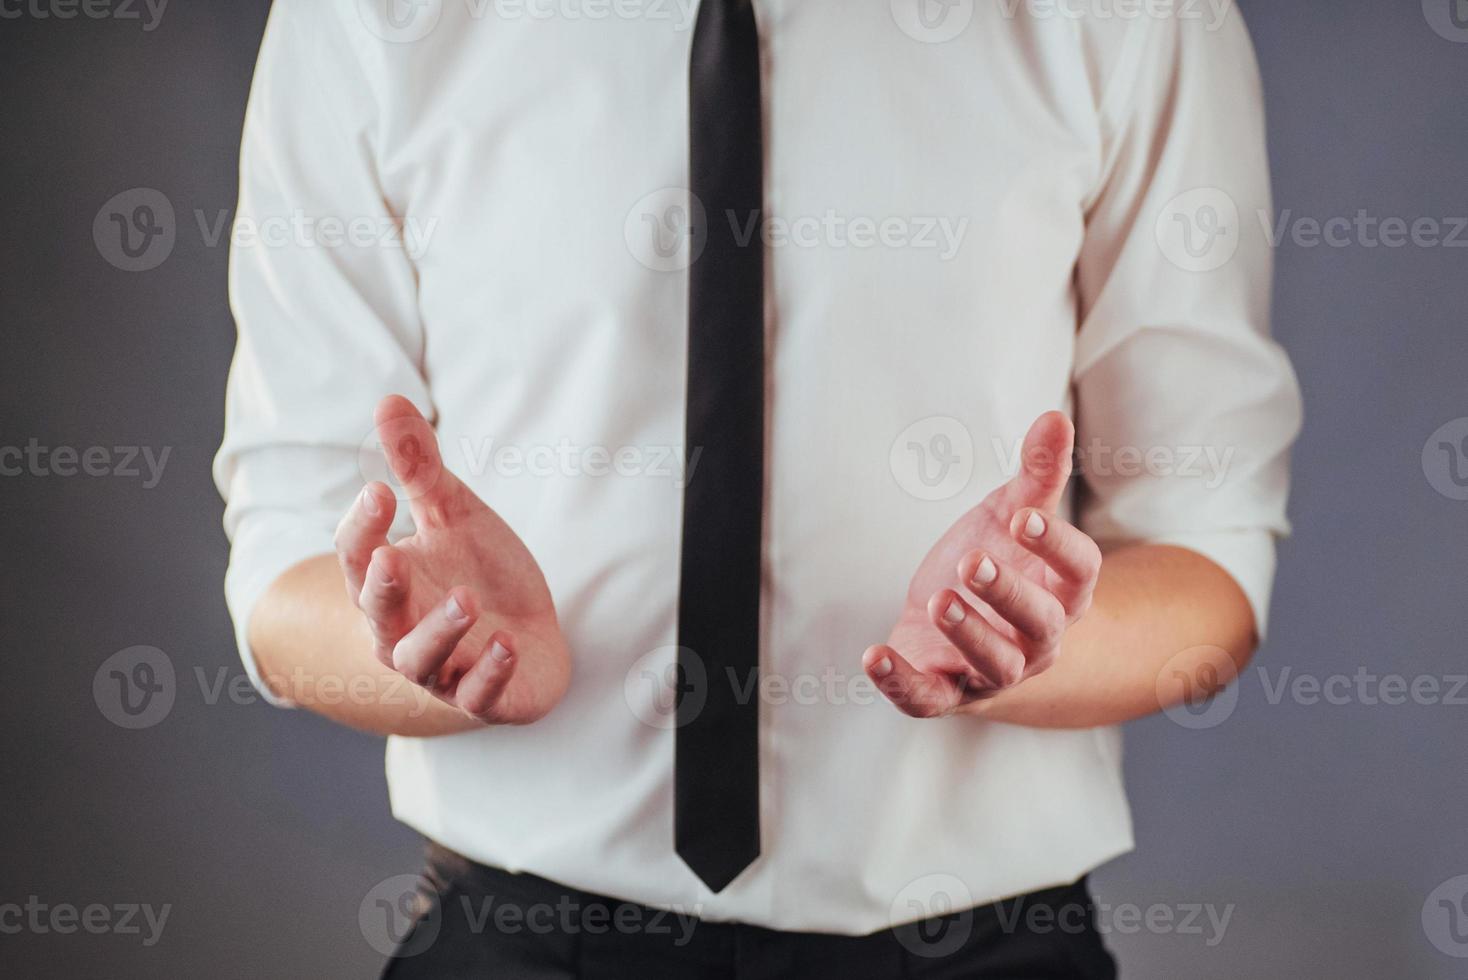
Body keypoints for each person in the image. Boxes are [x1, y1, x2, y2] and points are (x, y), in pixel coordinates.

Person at [214, 1, 1301, 975]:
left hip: (976, 947)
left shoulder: (1129, 17)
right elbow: (281, 573)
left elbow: (1209, 553)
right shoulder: (364, 18)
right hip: (519, 939)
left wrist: (1016, 646)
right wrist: (445, 651)